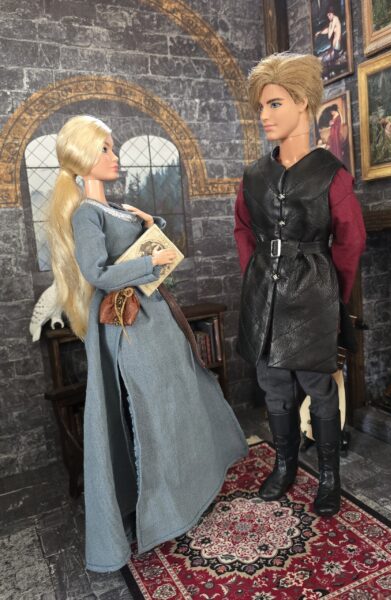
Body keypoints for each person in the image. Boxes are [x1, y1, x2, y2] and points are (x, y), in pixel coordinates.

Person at [48, 115, 247, 572]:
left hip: (155, 320)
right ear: (83, 156)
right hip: (131, 327)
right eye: (105, 148)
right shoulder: (86, 213)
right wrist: (149, 263)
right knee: (150, 412)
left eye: (112, 147)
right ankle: (161, 511)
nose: (114, 156)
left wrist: (149, 223)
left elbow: (137, 247)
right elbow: (97, 273)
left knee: (178, 402)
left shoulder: (116, 207)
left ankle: (188, 491)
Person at [234, 53, 366, 517]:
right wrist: (255, 275)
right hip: (263, 295)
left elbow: (351, 240)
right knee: (272, 383)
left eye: (274, 104)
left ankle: (329, 477)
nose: (264, 116)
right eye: (261, 107)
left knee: (318, 384)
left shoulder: (332, 175)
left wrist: (333, 298)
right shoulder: (254, 175)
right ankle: (285, 465)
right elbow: (243, 228)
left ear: (303, 103)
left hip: (313, 293)